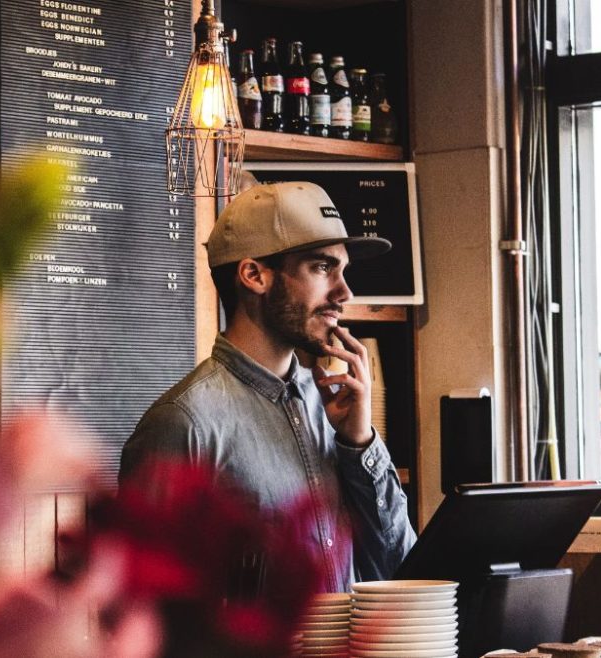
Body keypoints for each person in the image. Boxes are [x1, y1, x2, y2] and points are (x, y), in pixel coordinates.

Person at [119, 181, 416, 592]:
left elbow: (399, 569)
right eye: (322, 267)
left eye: (343, 270)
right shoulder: (183, 424)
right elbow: (149, 612)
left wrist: (359, 443)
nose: (344, 292)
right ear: (254, 275)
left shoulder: (336, 411)